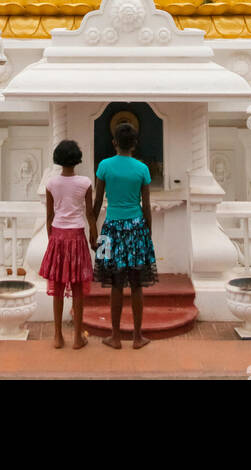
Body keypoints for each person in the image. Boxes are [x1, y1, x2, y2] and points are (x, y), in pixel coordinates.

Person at [92, 121, 158, 349]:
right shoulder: (142, 169)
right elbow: (146, 206)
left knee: (115, 283)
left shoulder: (104, 166)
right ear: (135, 144)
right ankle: (138, 336)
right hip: (137, 227)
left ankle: (116, 336)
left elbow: (98, 202)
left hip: (110, 229)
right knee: (138, 284)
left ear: (114, 142)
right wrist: (147, 233)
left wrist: (92, 228)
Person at [38, 139, 97, 349]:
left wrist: (51, 241)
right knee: (78, 288)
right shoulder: (85, 183)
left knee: (58, 287)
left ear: (58, 159)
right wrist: (94, 237)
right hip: (77, 235)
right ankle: (78, 337)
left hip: (58, 235)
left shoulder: (52, 183)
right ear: (77, 159)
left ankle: (57, 336)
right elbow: (90, 215)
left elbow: (49, 216)